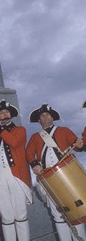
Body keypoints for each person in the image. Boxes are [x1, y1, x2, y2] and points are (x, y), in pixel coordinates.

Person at [26, 103, 86, 241]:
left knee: (75, 211)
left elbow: (76, 146)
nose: (45, 117)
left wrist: (80, 144)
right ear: (39, 121)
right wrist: (34, 164)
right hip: (49, 178)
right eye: (42, 116)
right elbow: (29, 153)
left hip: (68, 176)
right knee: (57, 213)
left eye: (48, 115)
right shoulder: (35, 137)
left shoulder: (64, 130)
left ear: (52, 118)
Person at [0, 99, 32, 241]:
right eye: (1, 113)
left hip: (16, 175)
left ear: (10, 115)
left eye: (6, 112)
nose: (3, 114)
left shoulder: (19, 130)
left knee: (20, 214)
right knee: (6, 216)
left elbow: (14, 142)